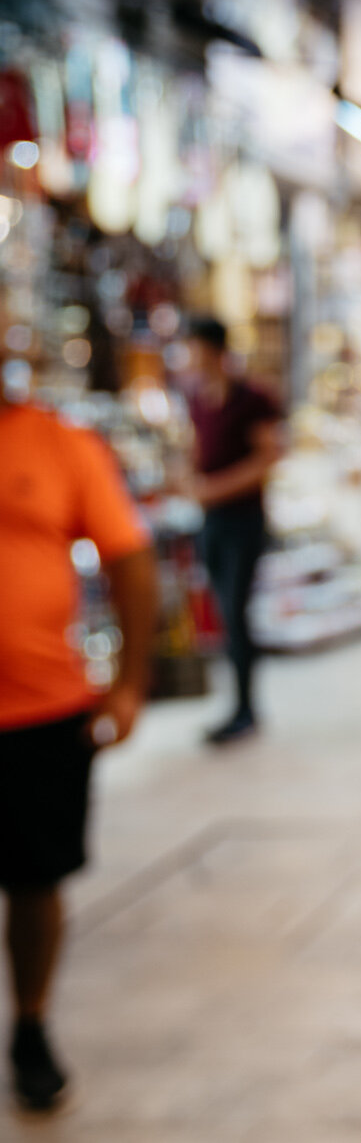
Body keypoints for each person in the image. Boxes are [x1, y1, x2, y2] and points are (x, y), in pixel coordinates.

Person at [0, 373, 158, 1112]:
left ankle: (30, 1023)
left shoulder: (60, 443)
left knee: (35, 882)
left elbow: (130, 559)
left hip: (40, 711)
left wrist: (128, 683)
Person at [181, 316, 284, 745]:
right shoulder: (198, 400)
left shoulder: (253, 398)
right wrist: (190, 482)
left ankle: (245, 707)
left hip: (243, 519)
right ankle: (238, 705)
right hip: (213, 520)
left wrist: (216, 489)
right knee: (224, 613)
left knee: (236, 611)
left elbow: (267, 458)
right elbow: (194, 451)